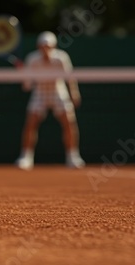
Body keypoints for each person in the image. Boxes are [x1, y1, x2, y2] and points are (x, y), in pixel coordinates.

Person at [14, 31, 85, 170]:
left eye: (49, 46)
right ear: (38, 47)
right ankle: (26, 157)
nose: (46, 49)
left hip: (58, 91)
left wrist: (74, 93)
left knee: (69, 122)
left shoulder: (61, 58)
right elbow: (27, 86)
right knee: (31, 122)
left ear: (54, 46)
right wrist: (23, 74)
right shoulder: (32, 59)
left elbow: (70, 77)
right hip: (39, 92)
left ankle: (73, 156)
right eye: (43, 46)